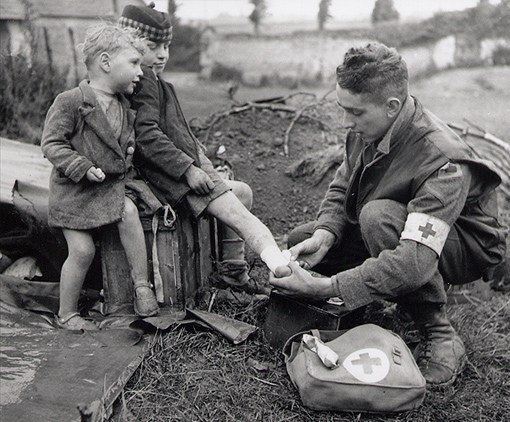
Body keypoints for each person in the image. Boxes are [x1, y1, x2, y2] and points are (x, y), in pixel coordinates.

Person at [270, 43, 506, 388]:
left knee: (377, 218)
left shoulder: (443, 160)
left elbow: (415, 261)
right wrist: (326, 233)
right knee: (302, 240)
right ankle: (359, 303)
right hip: (399, 228)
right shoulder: (367, 129)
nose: (346, 122)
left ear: (392, 106)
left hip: (462, 245)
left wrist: (325, 287)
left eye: (356, 112)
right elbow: (341, 188)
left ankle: (438, 333)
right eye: (342, 109)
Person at [118, 3, 291, 285]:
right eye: (152, 46)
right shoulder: (145, 81)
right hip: (171, 179)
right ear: (129, 46)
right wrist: (188, 170)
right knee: (241, 217)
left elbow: (172, 131)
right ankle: (281, 267)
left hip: (179, 171)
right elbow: (147, 136)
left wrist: (201, 159)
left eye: (167, 46)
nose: (162, 55)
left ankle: (233, 272)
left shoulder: (154, 81)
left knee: (242, 194)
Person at [41, 23, 163, 329]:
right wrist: (80, 166)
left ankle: (141, 286)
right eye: (134, 63)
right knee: (83, 251)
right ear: (106, 63)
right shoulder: (70, 101)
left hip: (109, 189)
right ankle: (67, 313)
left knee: (130, 212)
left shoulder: (126, 108)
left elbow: (123, 149)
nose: (141, 71)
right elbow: (51, 143)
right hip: (75, 194)